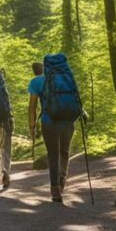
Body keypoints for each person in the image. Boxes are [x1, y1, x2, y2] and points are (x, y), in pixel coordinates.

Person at [28, 56, 81, 203]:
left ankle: (55, 189)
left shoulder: (37, 81)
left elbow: (32, 107)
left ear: (46, 66)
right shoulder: (68, 77)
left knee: (53, 154)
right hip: (68, 120)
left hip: (48, 121)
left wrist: (32, 125)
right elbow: (76, 98)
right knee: (64, 151)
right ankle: (62, 178)